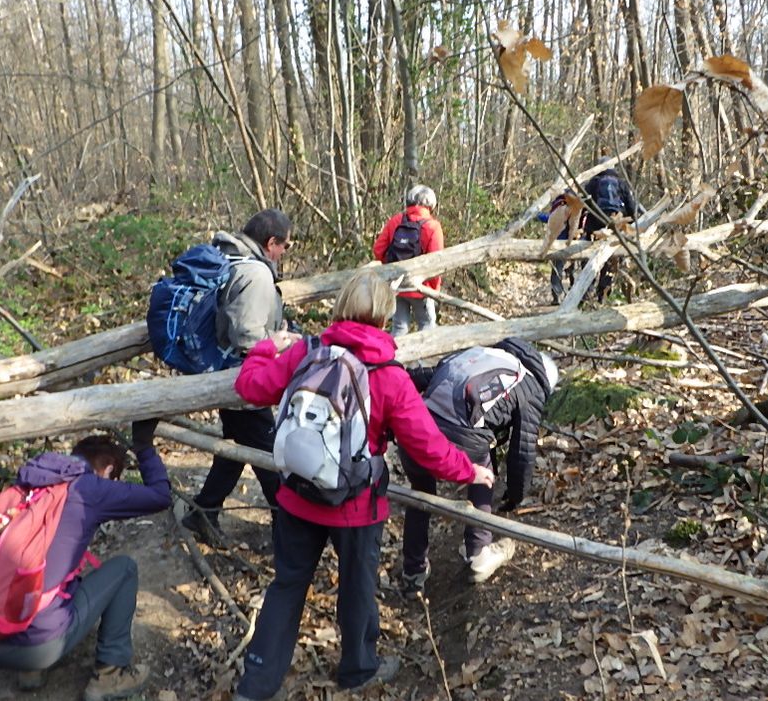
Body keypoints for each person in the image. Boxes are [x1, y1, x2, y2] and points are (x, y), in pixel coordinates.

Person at [230, 270, 494, 700]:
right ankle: (357, 669)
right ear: (386, 317)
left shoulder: (306, 350)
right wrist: (471, 471)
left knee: (287, 586)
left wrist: (265, 347)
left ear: (342, 305)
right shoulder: (389, 374)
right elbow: (427, 446)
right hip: (355, 505)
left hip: (296, 495)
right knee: (357, 588)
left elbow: (249, 386)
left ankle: (255, 685)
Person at [0, 422, 171, 700]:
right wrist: (144, 448)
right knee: (124, 570)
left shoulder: (29, 482)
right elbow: (160, 496)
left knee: (52, 570)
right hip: (35, 648)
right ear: (108, 470)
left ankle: (29, 674)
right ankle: (110, 676)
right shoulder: (89, 488)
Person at [400, 339, 558, 597]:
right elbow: (523, 451)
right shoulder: (531, 388)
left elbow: (426, 375)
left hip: (416, 430)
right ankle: (478, 552)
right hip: (456, 440)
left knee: (420, 492)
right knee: (483, 471)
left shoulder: (483, 353)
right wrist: (515, 495)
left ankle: (413, 571)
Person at [181, 209, 298, 545]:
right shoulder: (256, 275)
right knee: (272, 458)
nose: (284, 253)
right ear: (271, 242)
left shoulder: (228, 257)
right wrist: (278, 342)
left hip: (225, 373)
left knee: (234, 447)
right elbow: (246, 337)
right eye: (285, 246)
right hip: (245, 381)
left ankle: (204, 510)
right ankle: (288, 534)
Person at [372, 184, 444, 336]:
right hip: (421, 287)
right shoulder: (433, 226)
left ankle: (396, 358)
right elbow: (436, 264)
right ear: (431, 204)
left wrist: (392, 270)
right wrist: (434, 290)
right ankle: (422, 360)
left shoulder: (396, 221)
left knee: (399, 327)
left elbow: (378, 250)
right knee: (427, 326)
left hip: (397, 285)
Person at [582, 160, 643, 303]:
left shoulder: (593, 182)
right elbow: (631, 207)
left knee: (590, 258)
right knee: (611, 260)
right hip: (615, 225)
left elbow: (584, 204)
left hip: (594, 226)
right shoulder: (621, 183)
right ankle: (603, 294)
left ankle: (585, 292)